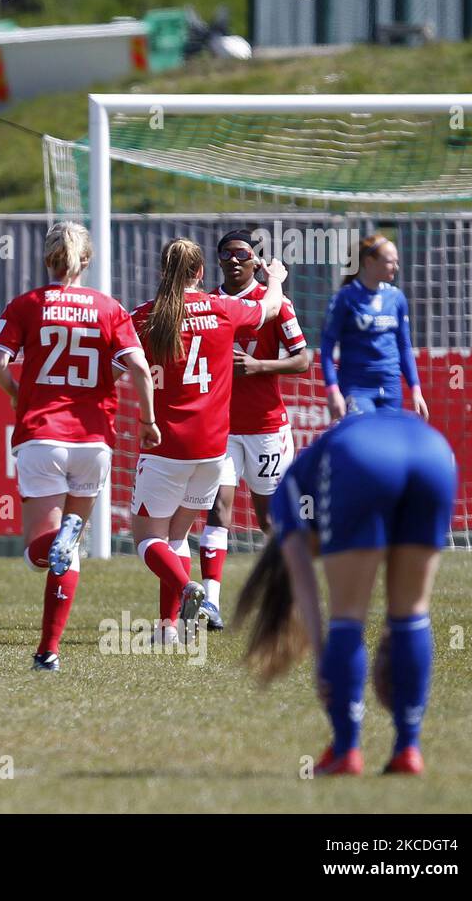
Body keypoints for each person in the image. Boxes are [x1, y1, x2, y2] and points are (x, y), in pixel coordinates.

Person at [234, 408, 456, 776]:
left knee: (347, 618)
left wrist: (323, 658)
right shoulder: (313, 474)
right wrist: (392, 646)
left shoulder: (289, 496)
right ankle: (408, 749)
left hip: (361, 459)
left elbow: (305, 588)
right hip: (434, 452)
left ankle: (346, 750)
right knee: (412, 614)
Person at [0, 221, 159, 672]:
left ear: (47, 259)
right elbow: (140, 370)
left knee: (36, 554)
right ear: (88, 260)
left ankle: (59, 548)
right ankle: (49, 651)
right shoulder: (108, 308)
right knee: (72, 549)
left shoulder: (27, 304)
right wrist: (148, 419)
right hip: (93, 439)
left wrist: (16, 394)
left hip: (42, 434)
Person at [129, 238, 287, 645]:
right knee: (177, 537)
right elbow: (268, 309)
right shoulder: (223, 309)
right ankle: (168, 630)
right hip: (214, 451)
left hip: (166, 447)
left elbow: (118, 356)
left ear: (164, 272)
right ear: (201, 272)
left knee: (148, 539)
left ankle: (188, 588)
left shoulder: (146, 316)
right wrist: (277, 281)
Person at [197, 229, 310, 631]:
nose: (232, 260)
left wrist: (260, 366)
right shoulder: (208, 304)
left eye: (241, 253)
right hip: (221, 427)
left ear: (254, 260)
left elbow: (302, 359)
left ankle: (289, 597)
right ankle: (210, 603)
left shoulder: (274, 303)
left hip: (266, 427)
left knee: (269, 519)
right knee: (218, 510)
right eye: (225, 253)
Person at [321, 233, 429, 421]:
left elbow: (404, 347)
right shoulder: (345, 298)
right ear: (369, 262)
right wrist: (333, 390)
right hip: (357, 387)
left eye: (397, 261)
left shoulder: (396, 298)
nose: (396, 267)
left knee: (388, 446)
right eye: (390, 262)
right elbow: (327, 349)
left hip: (390, 386)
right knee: (363, 442)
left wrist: (416, 390)